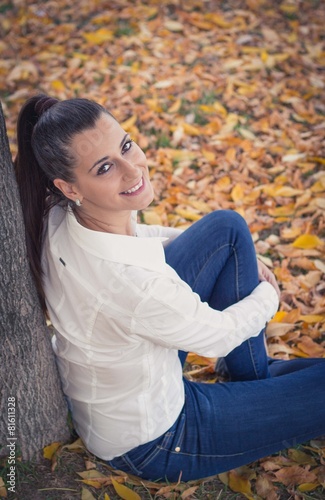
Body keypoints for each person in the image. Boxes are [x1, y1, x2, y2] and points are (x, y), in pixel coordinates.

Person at [14, 94, 325, 482]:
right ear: (70, 186)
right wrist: (269, 295)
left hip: (125, 375)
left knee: (227, 230)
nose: (133, 171)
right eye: (106, 167)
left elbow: (139, 238)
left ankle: (253, 382)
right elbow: (216, 336)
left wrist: (223, 248)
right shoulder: (133, 286)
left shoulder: (59, 212)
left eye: (126, 145)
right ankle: (260, 387)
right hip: (157, 439)